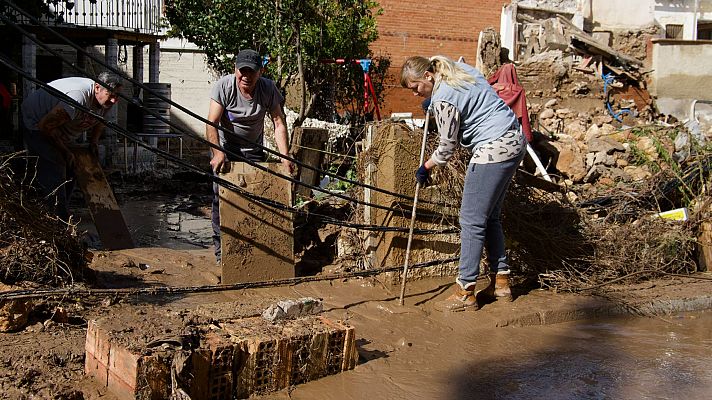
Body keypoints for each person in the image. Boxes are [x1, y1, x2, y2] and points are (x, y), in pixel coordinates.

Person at [401, 56, 526, 312]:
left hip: (493, 149)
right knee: (490, 217)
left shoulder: (443, 99)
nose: (415, 94)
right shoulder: (459, 70)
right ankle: (501, 282)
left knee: (471, 220)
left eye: (415, 87)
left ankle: (465, 290)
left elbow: (447, 147)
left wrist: (425, 167)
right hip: (515, 140)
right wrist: (432, 103)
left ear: (428, 76)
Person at [206, 49, 295, 264]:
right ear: (235, 70)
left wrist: (285, 157)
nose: (246, 76)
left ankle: (254, 248)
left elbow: (278, 123)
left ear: (260, 72)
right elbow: (211, 124)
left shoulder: (267, 88)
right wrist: (218, 153)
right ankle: (222, 252)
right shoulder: (224, 86)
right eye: (242, 71)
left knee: (256, 198)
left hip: (254, 152)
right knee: (222, 199)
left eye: (251, 72)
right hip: (227, 150)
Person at [21, 71, 122, 221]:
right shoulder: (77, 97)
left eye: (117, 96)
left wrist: (94, 141)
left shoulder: (107, 100)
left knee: (74, 166)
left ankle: (62, 208)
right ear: (97, 88)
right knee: (56, 162)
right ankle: (55, 218)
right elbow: (45, 126)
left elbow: (101, 120)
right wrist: (65, 151)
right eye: (110, 94)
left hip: (61, 127)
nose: (114, 100)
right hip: (36, 121)